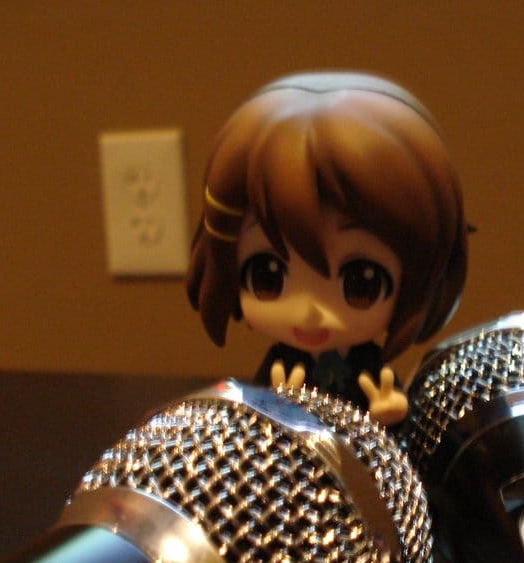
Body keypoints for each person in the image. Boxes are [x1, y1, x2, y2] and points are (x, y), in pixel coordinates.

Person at [187, 71, 468, 425]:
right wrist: (275, 409)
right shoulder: (282, 365)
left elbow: (391, 425)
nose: (310, 313)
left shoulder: (369, 367)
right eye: (268, 277)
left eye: (362, 283)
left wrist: (389, 412)